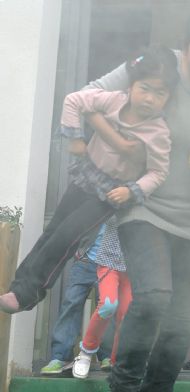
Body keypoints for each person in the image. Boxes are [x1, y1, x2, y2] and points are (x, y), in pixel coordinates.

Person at [77, 13, 190, 392]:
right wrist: (118, 143)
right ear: (184, 49)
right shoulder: (163, 75)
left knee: (180, 321)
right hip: (145, 208)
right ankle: (123, 386)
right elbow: (90, 95)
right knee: (154, 296)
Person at [0, 45, 177, 314]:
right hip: (86, 176)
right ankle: (18, 287)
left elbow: (159, 172)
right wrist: (75, 138)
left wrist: (132, 191)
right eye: (145, 88)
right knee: (52, 232)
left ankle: (29, 294)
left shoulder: (158, 132)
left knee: (67, 236)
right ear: (131, 86)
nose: (150, 98)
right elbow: (73, 100)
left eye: (160, 93)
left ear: (168, 98)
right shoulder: (113, 100)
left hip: (109, 193)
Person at [72, 217, 131, 379]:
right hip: (109, 262)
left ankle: (117, 360)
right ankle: (86, 353)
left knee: (127, 314)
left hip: (133, 266)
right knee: (108, 305)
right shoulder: (116, 193)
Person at [40, 251, 113, 375]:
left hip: (111, 263)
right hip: (85, 261)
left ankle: (108, 355)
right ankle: (60, 357)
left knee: (108, 307)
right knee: (71, 304)